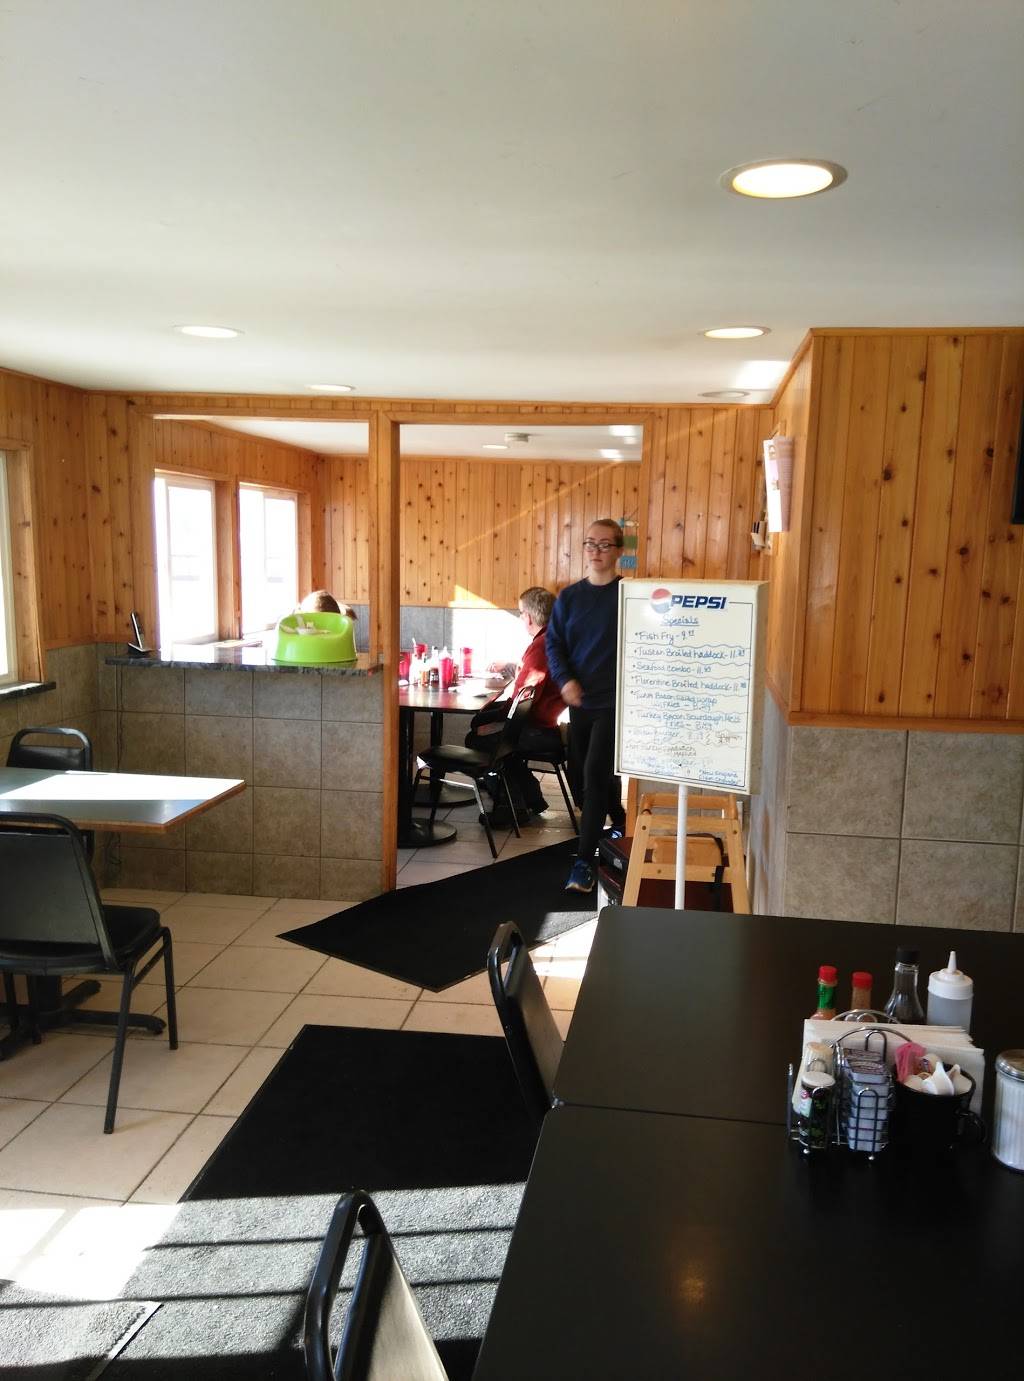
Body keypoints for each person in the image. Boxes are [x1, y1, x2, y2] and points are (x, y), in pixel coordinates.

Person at [545, 518, 627, 892]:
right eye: (590, 543)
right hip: (580, 703)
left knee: (594, 776)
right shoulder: (569, 597)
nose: (596, 551)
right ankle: (620, 818)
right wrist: (565, 680)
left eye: (605, 544)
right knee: (582, 775)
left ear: (618, 551)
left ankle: (584, 863)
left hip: (613, 703)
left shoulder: (627, 596)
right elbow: (554, 644)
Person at [465, 586, 564, 823]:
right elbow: (534, 680)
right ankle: (531, 799)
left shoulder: (541, 646)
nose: (521, 618)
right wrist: (511, 667)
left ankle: (510, 808)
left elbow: (523, 699)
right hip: (550, 725)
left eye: (520, 613)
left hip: (540, 730)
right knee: (494, 735)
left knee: (480, 740)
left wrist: (493, 716)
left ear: (528, 617)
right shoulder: (553, 639)